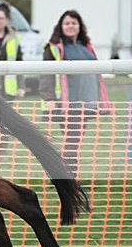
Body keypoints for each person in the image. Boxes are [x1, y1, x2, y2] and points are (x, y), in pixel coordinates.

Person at [39, 9, 111, 176]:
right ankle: (68, 178)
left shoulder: (87, 48)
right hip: (66, 103)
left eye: (74, 23)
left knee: (73, 141)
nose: (70, 26)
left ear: (79, 26)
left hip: (85, 103)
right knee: (72, 140)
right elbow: (46, 75)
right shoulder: (54, 48)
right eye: (67, 23)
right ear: (61, 26)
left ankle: (64, 176)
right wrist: (49, 97)